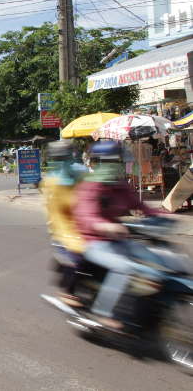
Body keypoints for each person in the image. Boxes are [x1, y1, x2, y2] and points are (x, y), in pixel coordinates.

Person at [73, 141, 163, 329]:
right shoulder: (90, 187)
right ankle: (102, 312)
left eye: (118, 161)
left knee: (160, 262)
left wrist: (163, 216)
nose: (117, 165)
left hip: (120, 240)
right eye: (113, 161)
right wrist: (107, 227)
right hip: (95, 243)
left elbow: (140, 206)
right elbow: (86, 216)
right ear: (101, 163)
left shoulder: (120, 185)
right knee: (124, 267)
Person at [40, 140, 88, 307]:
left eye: (66, 156)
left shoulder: (81, 174)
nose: (64, 160)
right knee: (77, 254)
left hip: (87, 223)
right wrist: (73, 236)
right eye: (60, 157)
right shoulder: (51, 183)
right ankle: (66, 291)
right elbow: (57, 216)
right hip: (64, 229)